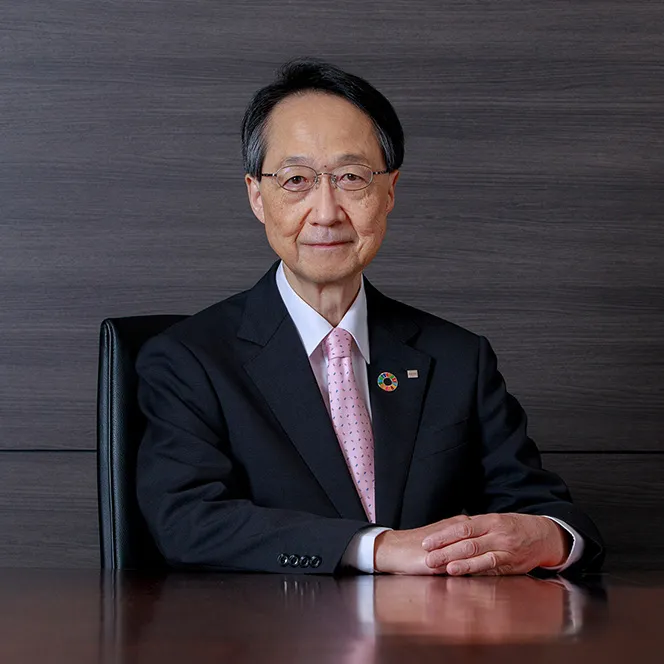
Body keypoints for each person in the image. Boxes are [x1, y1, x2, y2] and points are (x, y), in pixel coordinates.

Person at [135, 59, 604, 576]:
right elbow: (187, 520)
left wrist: (550, 537)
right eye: (296, 180)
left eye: (351, 178)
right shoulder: (189, 360)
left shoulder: (457, 359)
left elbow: (544, 509)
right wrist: (377, 548)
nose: (326, 212)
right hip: (270, 623)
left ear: (389, 191)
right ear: (256, 195)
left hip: (434, 624)